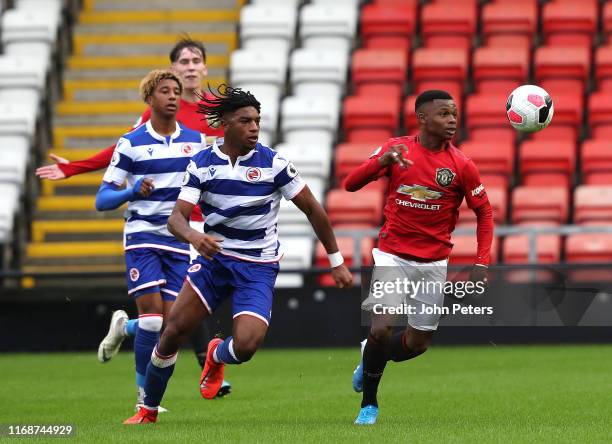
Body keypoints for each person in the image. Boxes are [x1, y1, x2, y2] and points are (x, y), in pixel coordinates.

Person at [123, 85, 354, 424]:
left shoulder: (274, 164)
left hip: (257, 267)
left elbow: (314, 211)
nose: (254, 128)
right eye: (246, 121)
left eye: (257, 121)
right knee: (172, 331)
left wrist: (336, 262)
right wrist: (194, 237)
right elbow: (176, 219)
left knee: (246, 346)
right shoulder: (202, 164)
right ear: (226, 125)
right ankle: (148, 411)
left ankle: (216, 354)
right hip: (214, 263)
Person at [37, 38, 231, 385]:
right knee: (187, 297)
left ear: (205, 68)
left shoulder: (218, 110)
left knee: (187, 300)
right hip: (169, 220)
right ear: (172, 70)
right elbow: (122, 149)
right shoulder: (158, 112)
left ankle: (128, 328)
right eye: (182, 61)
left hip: (203, 211)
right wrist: (76, 168)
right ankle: (207, 369)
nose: (189, 66)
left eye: (195, 60)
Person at [344, 90, 494, 425]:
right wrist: (381, 162)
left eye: (454, 113)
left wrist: (482, 261)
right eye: (444, 113)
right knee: (381, 330)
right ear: (422, 118)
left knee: (417, 343)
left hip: (434, 263)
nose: (452, 120)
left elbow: (485, 214)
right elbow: (350, 184)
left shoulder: (462, 165)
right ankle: (369, 404)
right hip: (392, 256)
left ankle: (367, 358)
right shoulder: (396, 150)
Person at [96, 69, 207, 412]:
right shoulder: (131, 143)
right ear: (150, 98)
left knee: (171, 326)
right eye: (165, 91)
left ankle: (122, 327)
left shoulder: (195, 141)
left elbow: (205, 191)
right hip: (142, 235)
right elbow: (102, 200)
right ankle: (144, 399)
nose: (173, 96)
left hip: (177, 239)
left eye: (176, 91)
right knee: (153, 320)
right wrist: (132, 190)